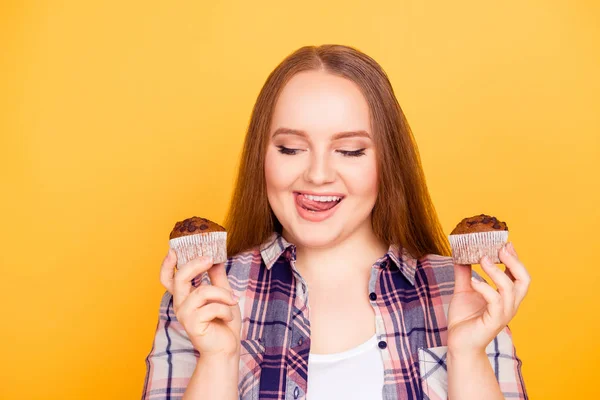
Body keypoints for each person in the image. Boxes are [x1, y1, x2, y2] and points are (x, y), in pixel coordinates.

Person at [142, 45, 529, 400]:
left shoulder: (470, 299)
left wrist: (469, 355)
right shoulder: (201, 301)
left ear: (387, 161)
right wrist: (217, 360)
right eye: (290, 148)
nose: (318, 174)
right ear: (262, 156)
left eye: (349, 150)